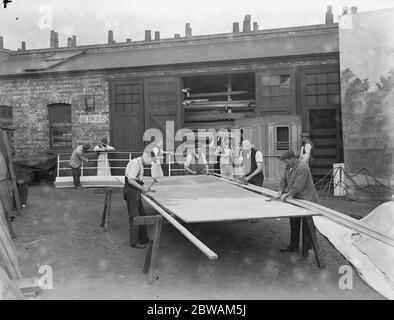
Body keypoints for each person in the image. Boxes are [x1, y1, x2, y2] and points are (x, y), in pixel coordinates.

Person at [273, 150, 318, 253]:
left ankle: (308, 248)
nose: (285, 163)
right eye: (284, 161)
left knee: (307, 223)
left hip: (307, 198)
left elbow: (298, 186)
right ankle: (293, 245)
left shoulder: (302, 168)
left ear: (292, 158)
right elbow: (283, 180)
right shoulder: (288, 166)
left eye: (287, 161)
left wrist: (286, 195)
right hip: (296, 198)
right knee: (294, 220)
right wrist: (280, 191)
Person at [124, 152, 157, 248]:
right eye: (151, 161)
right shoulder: (136, 163)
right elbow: (131, 180)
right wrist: (143, 189)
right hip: (131, 192)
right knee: (134, 217)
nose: (151, 163)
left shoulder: (140, 164)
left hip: (135, 192)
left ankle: (143, 239)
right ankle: (134, 242)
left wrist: (147, 190)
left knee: (142, 215)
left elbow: (138, 180)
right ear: (146, 157)